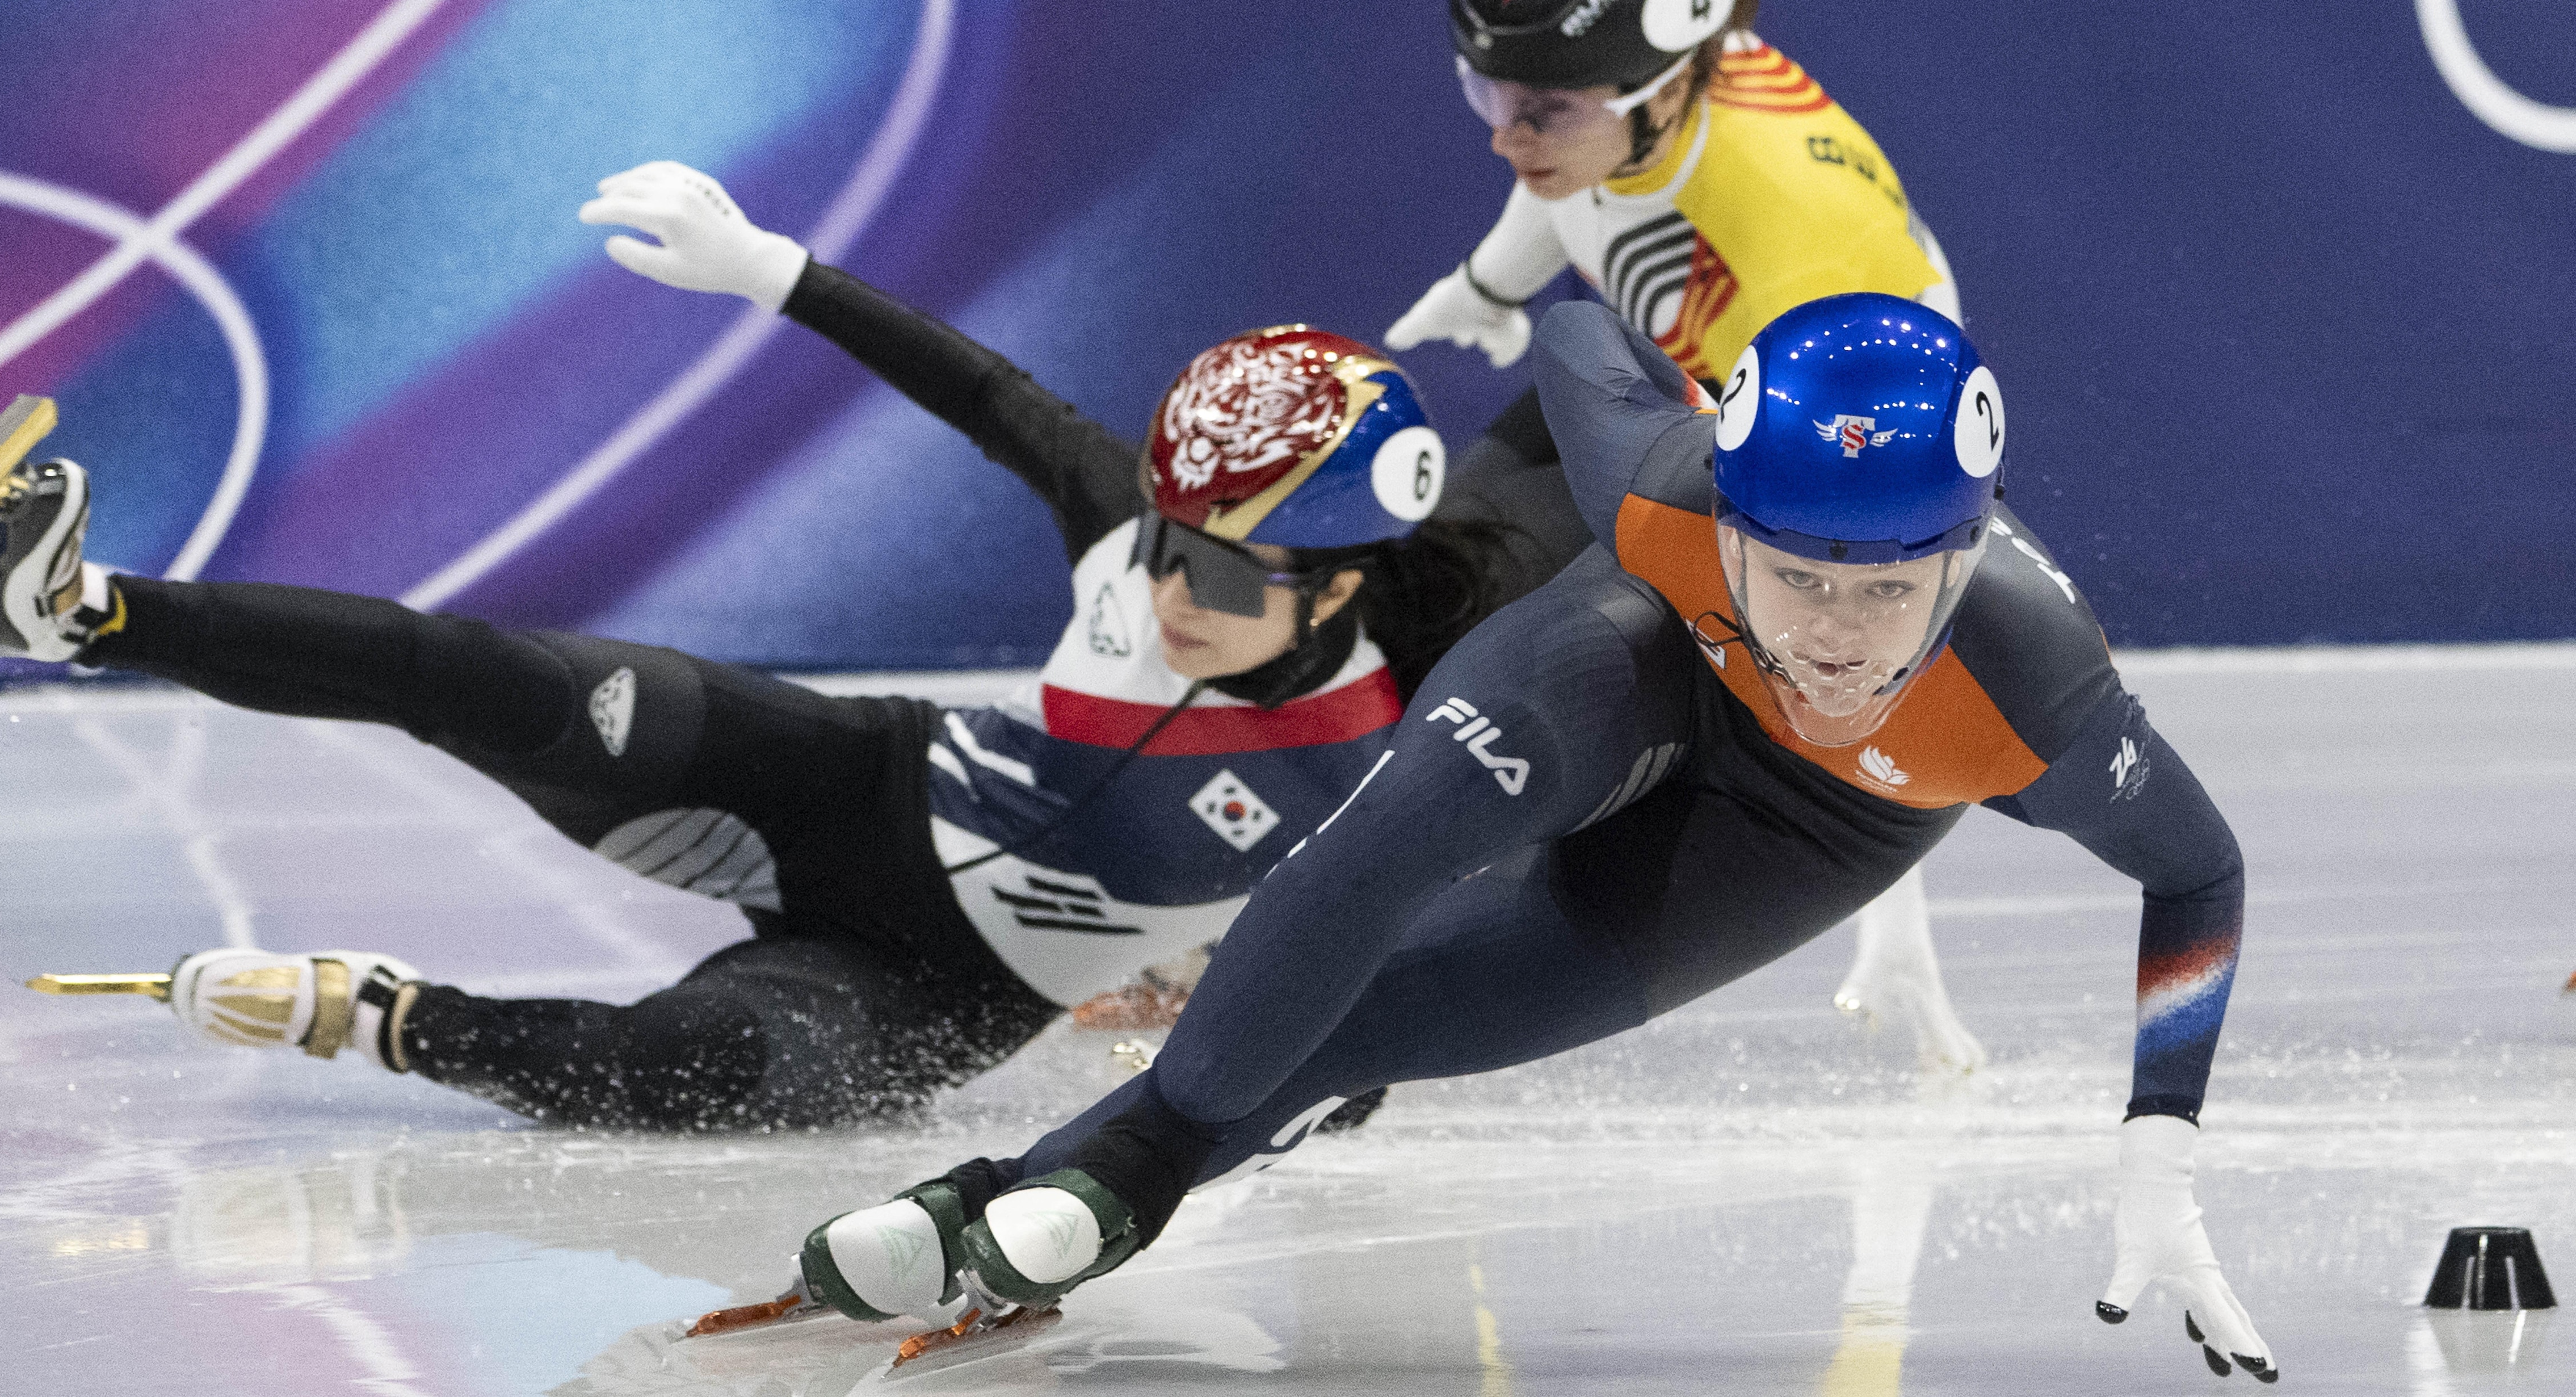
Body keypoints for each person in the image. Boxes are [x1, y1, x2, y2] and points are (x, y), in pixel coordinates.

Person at [775, 294, 2279, 1383]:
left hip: (1825, 821)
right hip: (1645, 644)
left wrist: (2160, 1142)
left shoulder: (2037, 697)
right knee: (1383, 856)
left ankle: (1043, 1188)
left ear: (1960, 564)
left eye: (1887, 590)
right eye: (1796, 571)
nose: (1830, 636)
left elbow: (2198, 871)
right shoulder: (1667, 489)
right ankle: (1118, 1174)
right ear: (1729, 513)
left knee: (1404, 1015)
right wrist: (1564, 304)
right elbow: (1582, 329)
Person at [0, 163, 1566, 1132]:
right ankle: (69, 608)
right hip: (854, 784)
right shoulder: (1139, 531)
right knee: (482, 674)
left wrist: (1263, 1046)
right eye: (1167, 543)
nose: (1172, 588)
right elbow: (988, 394)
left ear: (1341, 586)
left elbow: (1403, 972)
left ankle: (380, 1014)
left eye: (1231, 575)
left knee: (689, 1071)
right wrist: (775, 270)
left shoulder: (1373, 759)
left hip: (937, 988)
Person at [1390, 0, 1981, 1069]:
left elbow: (1865, 635)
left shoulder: (1795, 235)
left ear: (1658, 88)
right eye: (1483, 92)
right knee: (1427, 585)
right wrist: (1493, 285)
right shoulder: (1635, 97)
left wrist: (1889, 917)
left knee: (1686, 655)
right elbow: (1572, 183)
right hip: (1666, 358)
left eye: (1538, 109)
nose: (1507, 134)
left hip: (1821, 404)